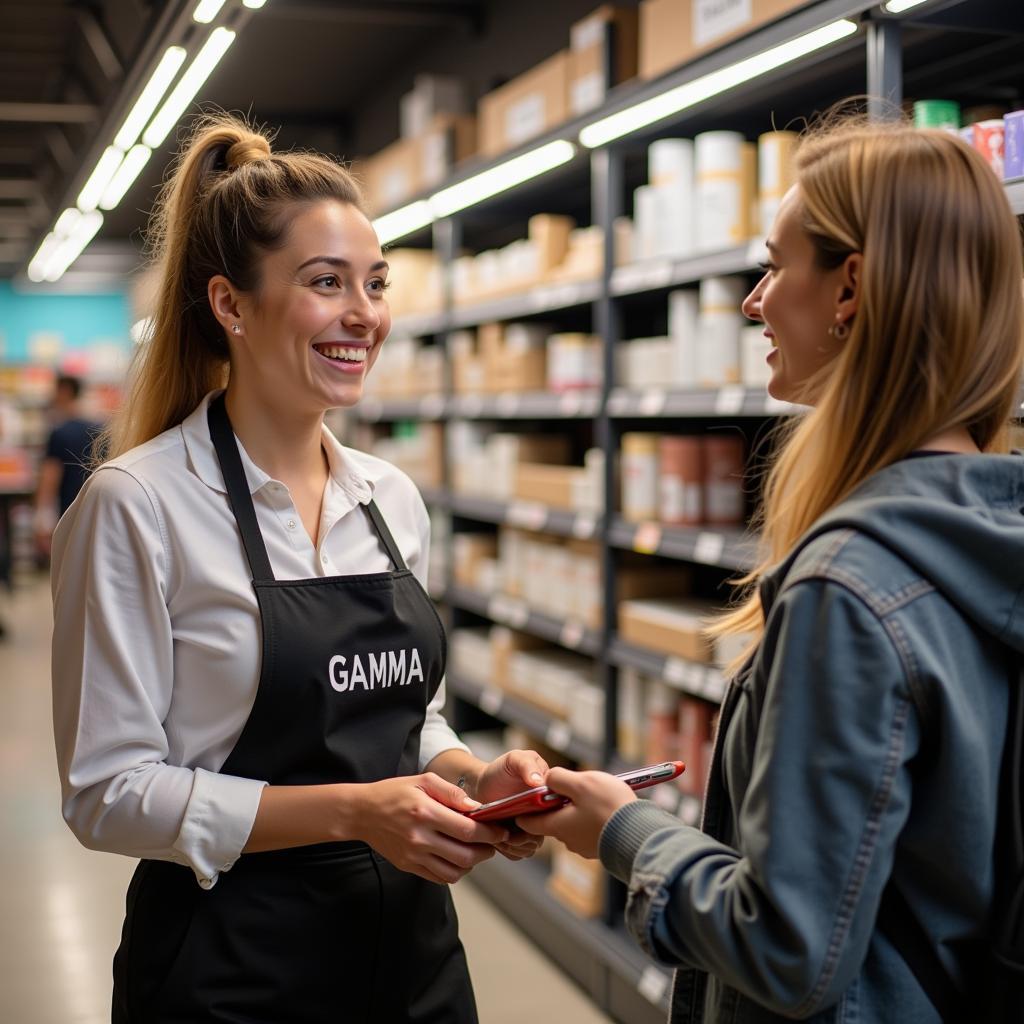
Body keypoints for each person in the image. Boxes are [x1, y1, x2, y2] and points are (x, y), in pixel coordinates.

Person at [521, 115, 1024, 1022]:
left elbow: (788, 944)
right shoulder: (989, 534)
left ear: (851, 289)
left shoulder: (850, 584)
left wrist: (622, 833)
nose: (754, 301)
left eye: (775, 264)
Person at [50, 115, 547, 1024]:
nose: (365, 314)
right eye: (327, 284)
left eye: (376, 283)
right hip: (233, 969)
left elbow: (407, 719)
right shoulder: (140, 504)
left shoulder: (389, 498)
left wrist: (474, 778)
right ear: (231, 306)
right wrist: (356, 815)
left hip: (414, 965)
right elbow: (106, 793)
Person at [34, 374, 100, 556]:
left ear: (64, 392)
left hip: (67, 511)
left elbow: (50, 476)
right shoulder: (99, 429)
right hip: (94, 507)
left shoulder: (59, 432)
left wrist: (42, 518)